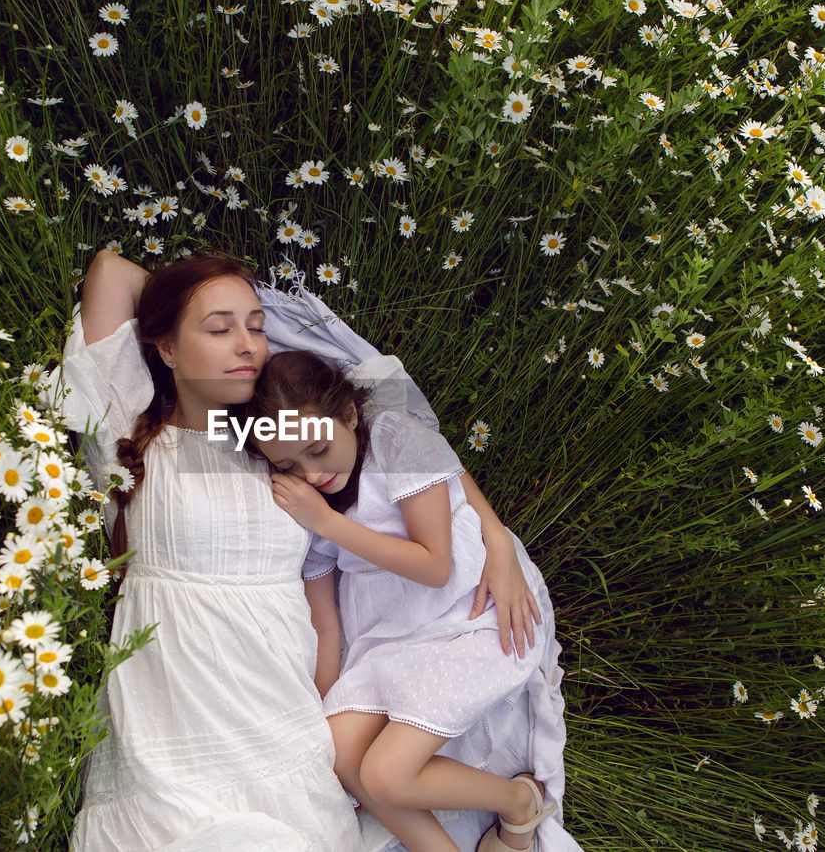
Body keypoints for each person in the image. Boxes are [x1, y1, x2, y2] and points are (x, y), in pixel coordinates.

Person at [50, 249, 550, 851]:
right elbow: (110, 269)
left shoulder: (279, 448)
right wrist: (181, 308)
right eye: (220, 328)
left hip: (279, 690)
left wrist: (495, 538)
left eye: (257, 327)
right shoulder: (131, 425)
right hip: (169, 691)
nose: (246, 344)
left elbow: (413, 454)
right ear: (165, 348)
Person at [242, 350, 580, 852]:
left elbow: (434, 565)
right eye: (289, 465)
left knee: (385, 775)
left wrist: (328, 523)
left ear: (350, 416)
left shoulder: (394, 441)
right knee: (339, 750)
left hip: (465, 611)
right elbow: (327, 625)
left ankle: (519, 802)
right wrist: (322, 702)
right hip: (392, 637)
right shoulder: (310, 509)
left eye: (318, 448)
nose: (311, 476)